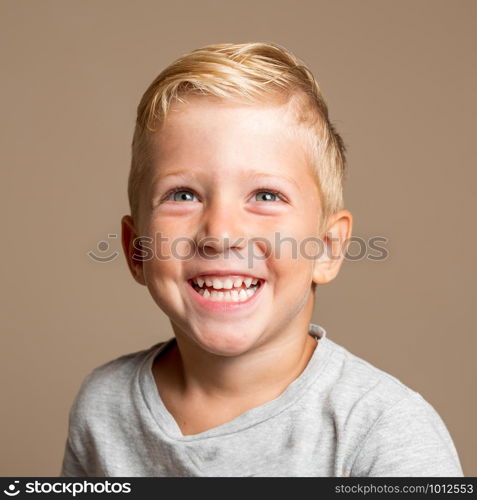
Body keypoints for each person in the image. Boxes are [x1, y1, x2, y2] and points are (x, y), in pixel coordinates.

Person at [60, 42, 463, 477]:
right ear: (135, 249)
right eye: (183, 194)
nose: (220, 233)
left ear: (326, 248)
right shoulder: (103, 406)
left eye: (266, 196)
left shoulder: (382, 431)